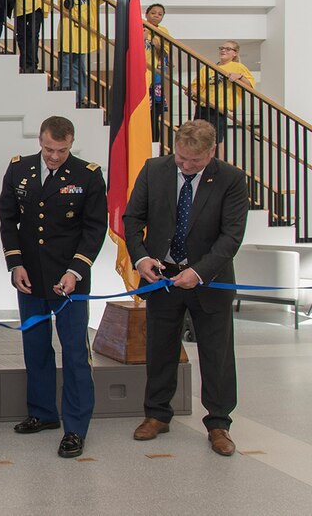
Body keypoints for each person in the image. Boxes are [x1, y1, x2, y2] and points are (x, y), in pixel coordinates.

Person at [124, 119, 250, 457]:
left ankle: (219, 423)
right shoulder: (154, 170)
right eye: (181, 157)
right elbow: (133, 219)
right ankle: (156, 414)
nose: (186, 165)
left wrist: (199, 271)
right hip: (162, 278)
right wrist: (141, 259)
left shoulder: (232, 180)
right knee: (160, 348)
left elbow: (231, 236)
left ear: (212, 152)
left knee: (216, 354)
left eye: (194, 160)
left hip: (210, 280)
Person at [0, 116, 106, 459]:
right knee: (35, 346)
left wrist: (76, 270)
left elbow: (94, 229)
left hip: (70, 280)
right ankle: (43, 413)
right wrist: (15, 264)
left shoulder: (88, 175)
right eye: (48, 149)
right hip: (31, 277)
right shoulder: (20, 169)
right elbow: (7, 217)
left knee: (74, 352)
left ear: (71, 144)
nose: (54, 156)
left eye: (61, 150)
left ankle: (75, 427)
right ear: (39, 141)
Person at [58, 0, 111, 104]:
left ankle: (79, 97)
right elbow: (66, 5)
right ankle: (64, 94)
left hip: (84, 30)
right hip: (69, 28)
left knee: (79, 67)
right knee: (66, 64)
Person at [192, 40, 255, 156]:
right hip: (203, 106)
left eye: (227, 49)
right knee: (197, 137)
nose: (223, 50)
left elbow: (250, 85)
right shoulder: (208, 68)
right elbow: (196, 85)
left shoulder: (238, 67)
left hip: (219, 109)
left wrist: (239, 76)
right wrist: (193, 92)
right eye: (221, 48)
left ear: (235, 53)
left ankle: (218, 165)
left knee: (216, 140)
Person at [144, 3, 172, 141]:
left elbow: (165, 53)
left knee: (154, 114)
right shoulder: (139, 25)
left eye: (160, 14)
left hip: (156, 77)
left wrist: (157, 45)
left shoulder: (163, 31)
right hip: (142, 73)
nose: (156, 15)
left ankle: (154, 143)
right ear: (146, 14)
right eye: (153, 12)